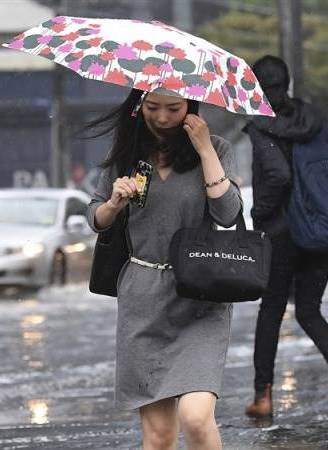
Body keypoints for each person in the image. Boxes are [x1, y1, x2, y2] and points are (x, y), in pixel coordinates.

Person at [85, 88, 242, 450]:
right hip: (143, 300)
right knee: (157, 437)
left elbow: (229, 213)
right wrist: (114, 203)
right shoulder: (126, 156)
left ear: (191, 107)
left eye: (174, 108)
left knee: (197, 419)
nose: (162, 117)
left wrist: (203, 149)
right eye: (153, 107)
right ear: (140, 107)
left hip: (199, 294)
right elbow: (95, 217)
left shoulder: (216, 149)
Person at [243, 55, 328, 419]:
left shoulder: (262, 126)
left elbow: (278, 177)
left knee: (271, 310)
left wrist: (258, 214)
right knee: (309, 310)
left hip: (283, 232)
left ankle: (262, 396)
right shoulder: (313, 119)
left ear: (256, 86)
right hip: (323, 229)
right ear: (289, 81)